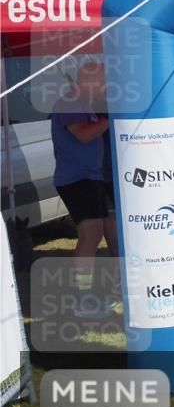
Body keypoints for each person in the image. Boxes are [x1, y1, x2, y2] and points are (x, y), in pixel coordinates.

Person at [50, 62, 118, 315]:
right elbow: (83, 135)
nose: (104, 86)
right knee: (90, 234)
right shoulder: (70, 102)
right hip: (76, 179)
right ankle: (81, 297)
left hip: (91, 178)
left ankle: (89, 294)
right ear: (88, 80)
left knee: (99, 231)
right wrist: (108, 119)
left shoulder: (85, 103)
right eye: (101, 80)